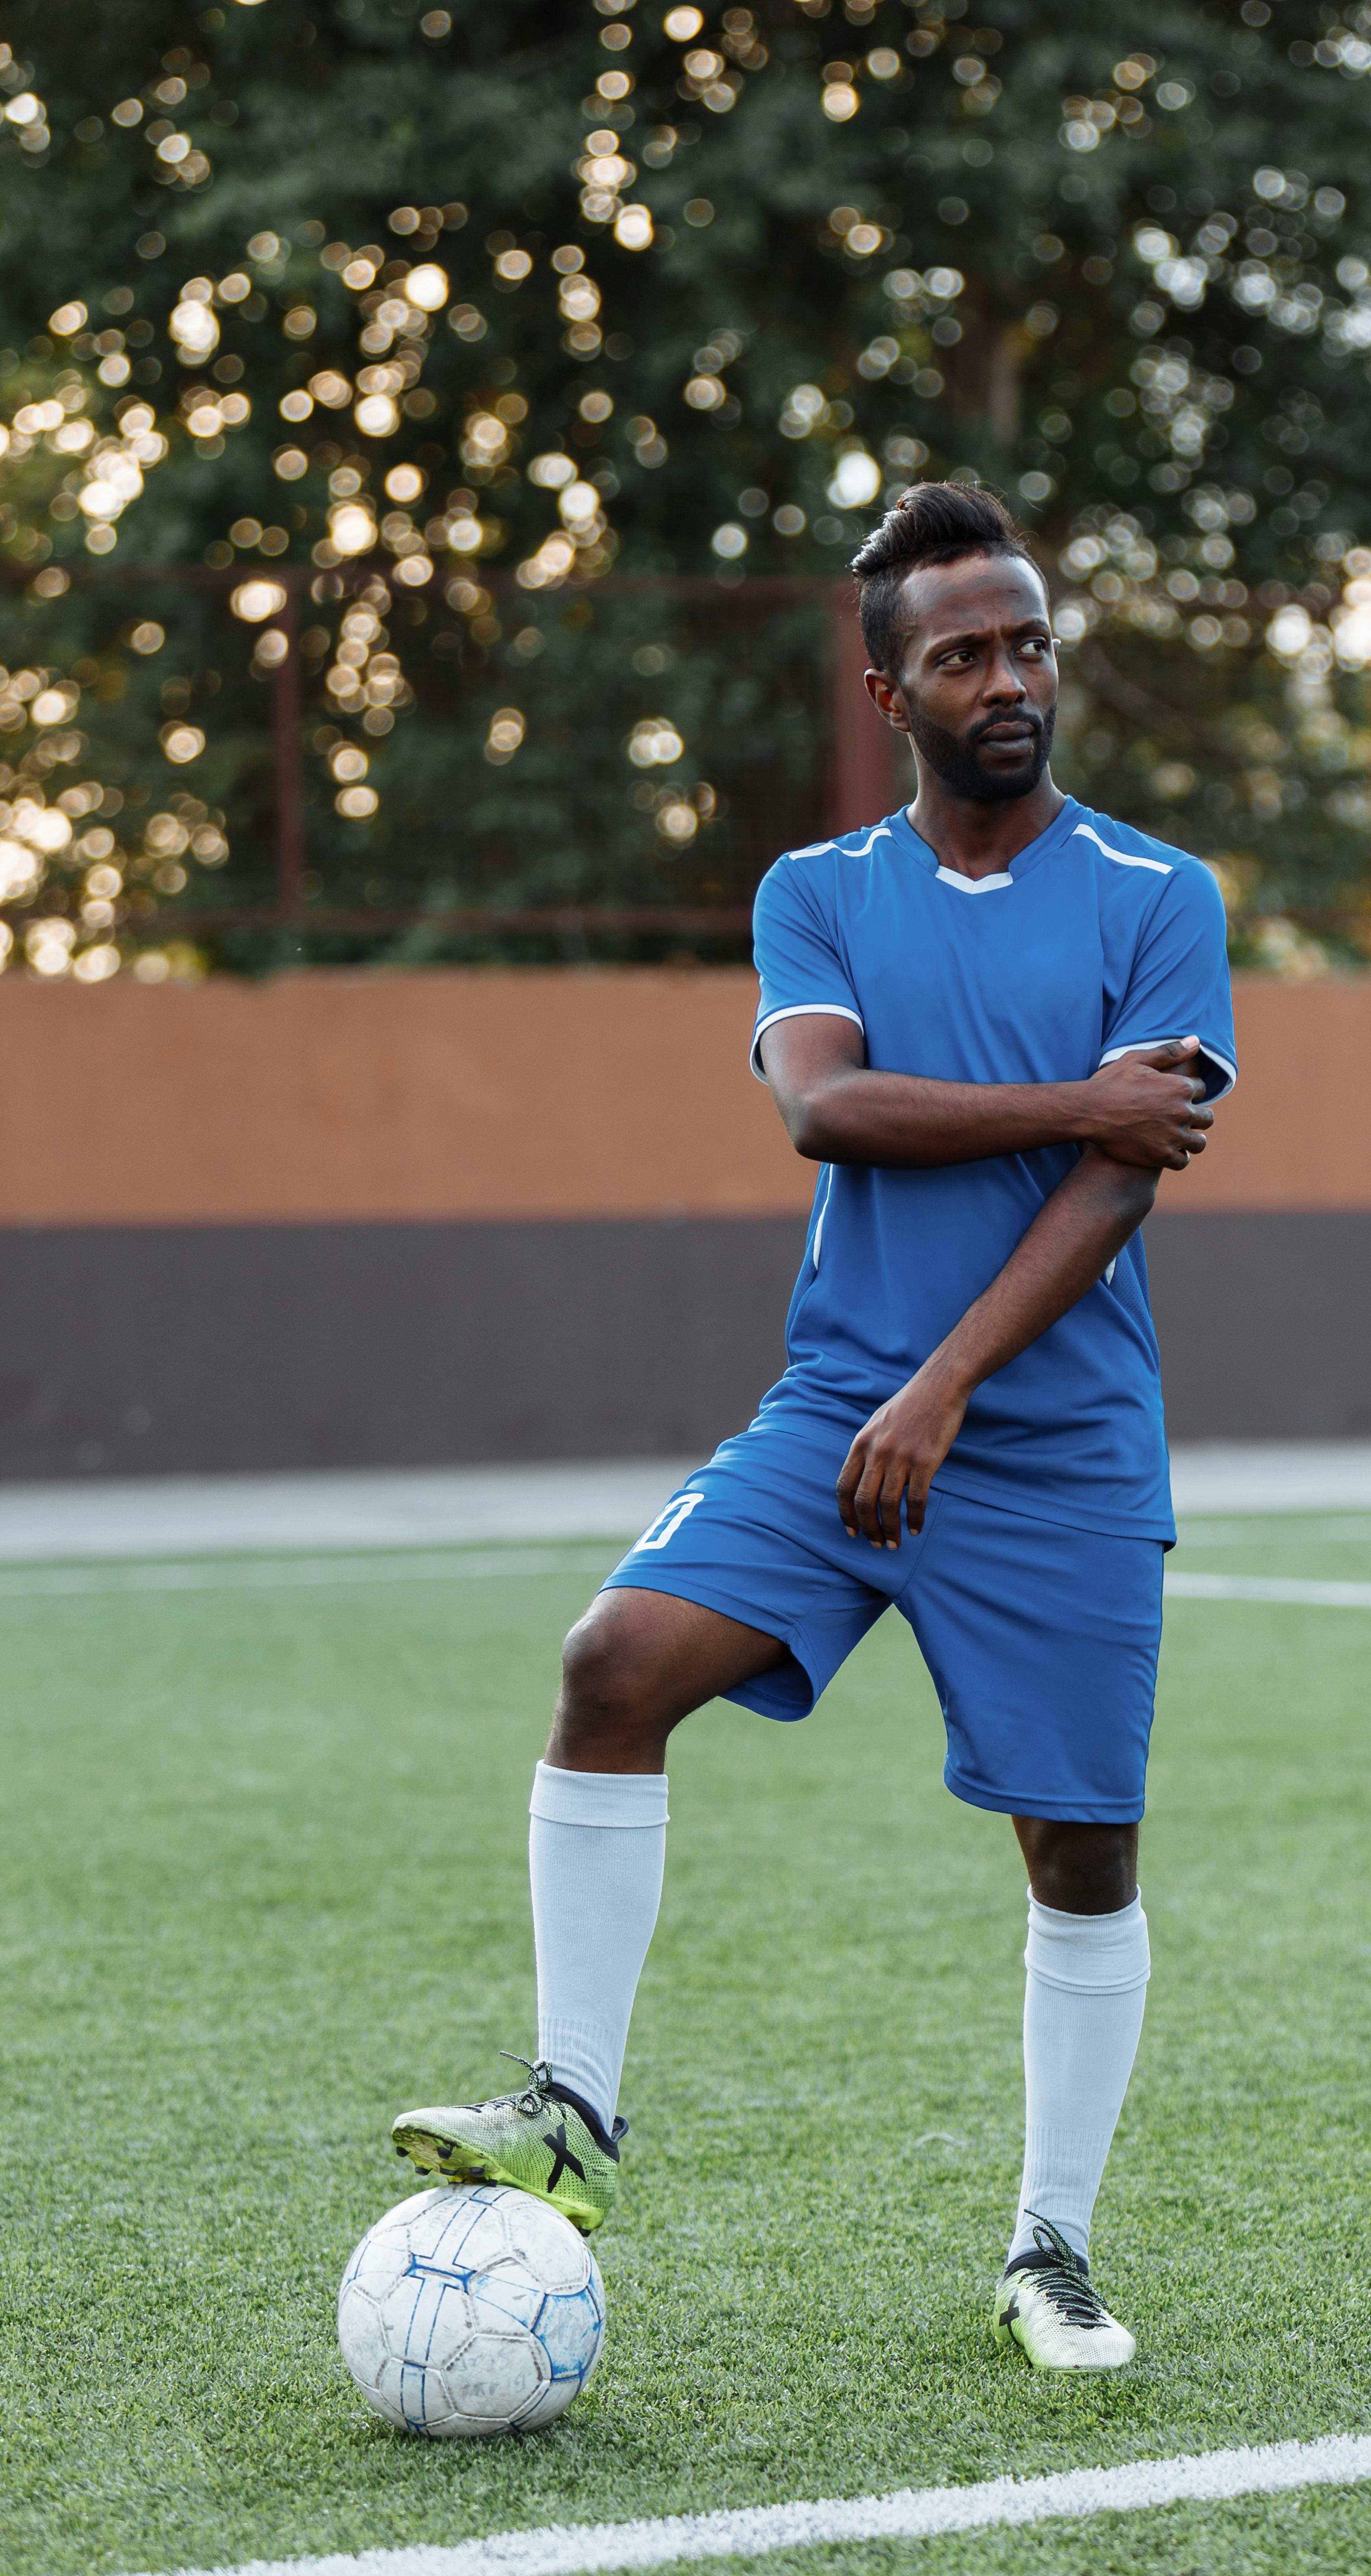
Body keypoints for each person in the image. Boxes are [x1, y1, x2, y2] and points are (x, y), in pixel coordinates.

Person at [393, 482, 1236, 2371]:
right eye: (961, 653)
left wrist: (951, 1383)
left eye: (1025, 642)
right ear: (890, 688)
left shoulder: (1157, 897)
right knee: (612, 1662)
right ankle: (573, 2113)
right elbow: (825, 1116)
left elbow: (1127, 1184)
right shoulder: (815, 893)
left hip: (1052, 1444)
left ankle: (1049, 2248)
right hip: (839, 1407)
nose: (1006, 677)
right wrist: (1064, 1104)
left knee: (1079, 1853)